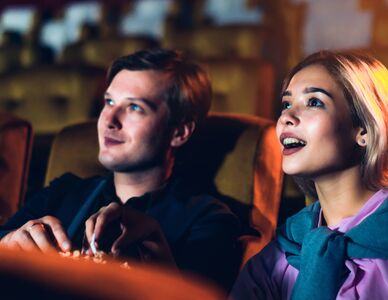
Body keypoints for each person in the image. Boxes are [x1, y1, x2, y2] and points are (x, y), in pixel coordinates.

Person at [0, 48, 241, 290]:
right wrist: (8, 246)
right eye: (109, 102)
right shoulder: (63, 190)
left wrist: (162, 266)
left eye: (135, 107)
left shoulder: (208, 219)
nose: (109, 120)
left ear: (179, 132)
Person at [230, 50, 388, 299]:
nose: (286, 118)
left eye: (314, 102)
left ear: (364, 130)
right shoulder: (285, 249)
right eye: (286, 104)